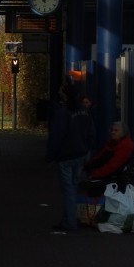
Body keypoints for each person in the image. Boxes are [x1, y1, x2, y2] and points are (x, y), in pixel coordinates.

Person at [46, 85, 94, 232]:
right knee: (73, 187)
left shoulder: (63, 113)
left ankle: (69, 222)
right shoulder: (84, 112)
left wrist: (51, 156)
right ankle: (70, 219)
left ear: (65, 96)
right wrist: (87, 151)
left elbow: (57, 136)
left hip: (66, 156)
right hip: (80, 154)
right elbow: (92, 133)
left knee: (68, 190)